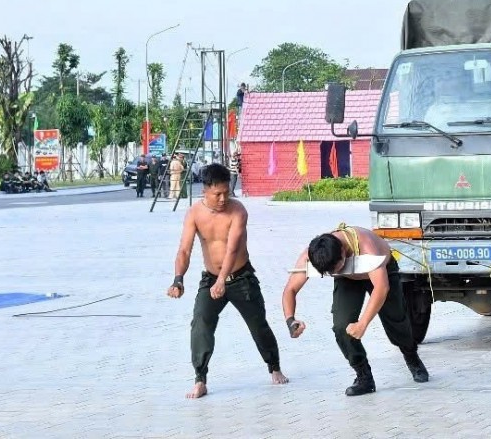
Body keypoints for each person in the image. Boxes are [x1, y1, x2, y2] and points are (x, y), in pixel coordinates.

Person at [166, 163, 288, 399]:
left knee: (258, 325)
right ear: (205, 191)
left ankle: (274, 367)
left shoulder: (238, 211)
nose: (223, 199)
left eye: (226, 193)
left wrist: (223, 280)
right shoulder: (194, 214)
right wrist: (178, 280)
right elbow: (184, 250)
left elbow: (232, 249)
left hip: (241, 278)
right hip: (210, 278)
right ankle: (200, 379)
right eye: (217, 194)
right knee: (200, 323)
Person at [282, 224, 429, 396]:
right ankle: (363, 376)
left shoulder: (367, 247)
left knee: (395, 320)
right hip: (348, 278)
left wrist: (363, 323)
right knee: (341, 326)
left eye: (335, 268)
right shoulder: (315, 254)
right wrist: (290, 320)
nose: (331, 273)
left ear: (343, 252)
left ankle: (412, 357)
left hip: (383, 272)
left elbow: (381, 288)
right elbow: (290, 290)